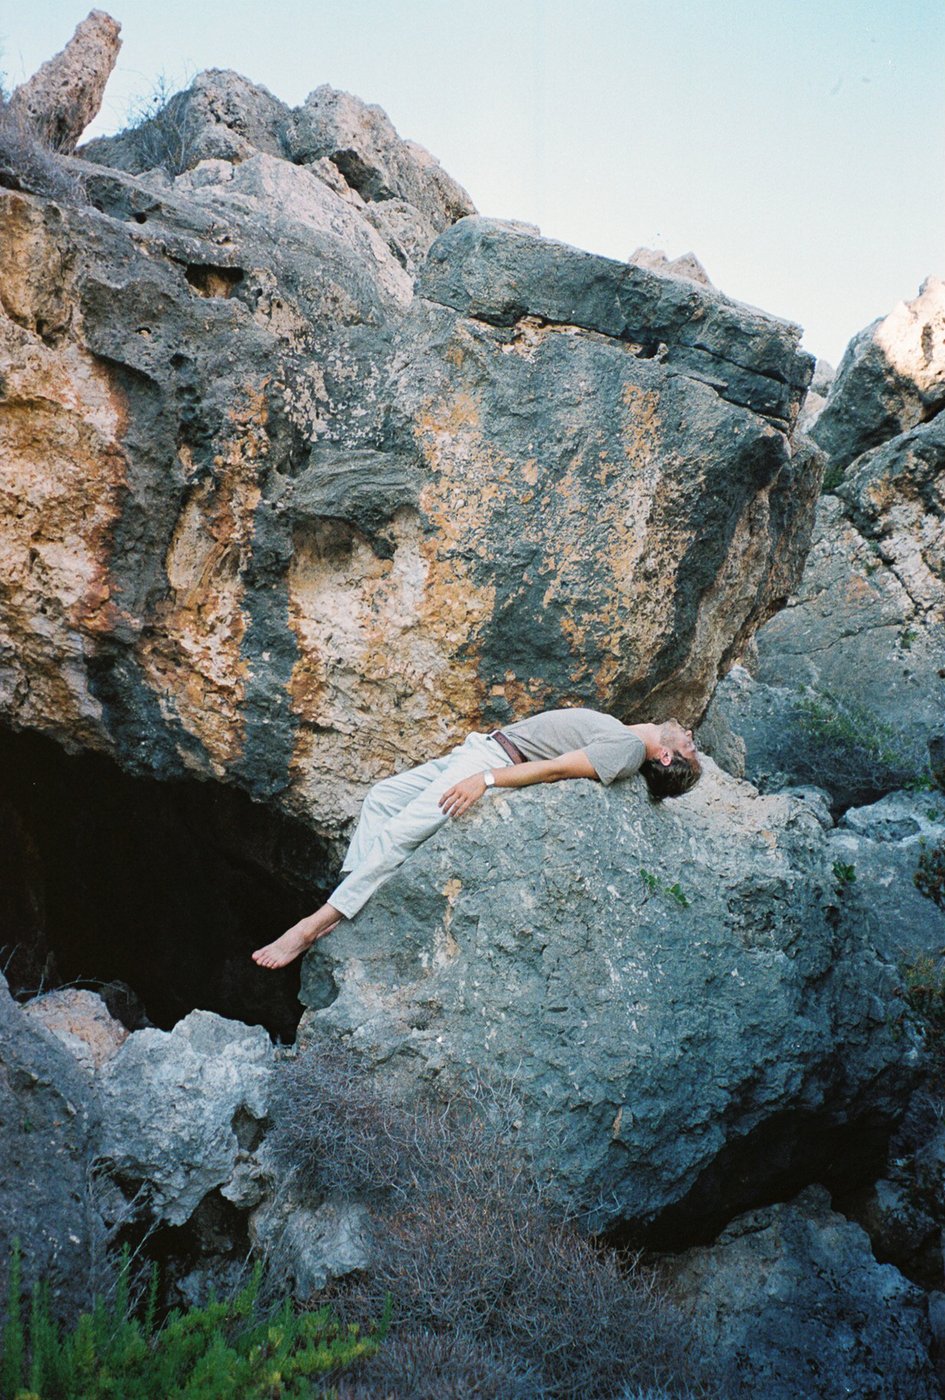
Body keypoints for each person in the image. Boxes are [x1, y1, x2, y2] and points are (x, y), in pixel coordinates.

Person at [252, 708, 700, 969]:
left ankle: (307, 928)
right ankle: (350, 901)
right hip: (482, 746)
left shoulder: (626, 750)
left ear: (664, 756)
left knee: (398, 836)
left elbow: (558, 768)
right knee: (383, 798)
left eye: (690, 748)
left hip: (491, 759)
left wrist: (485, 779)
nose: (692, 736)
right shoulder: (625, 734)